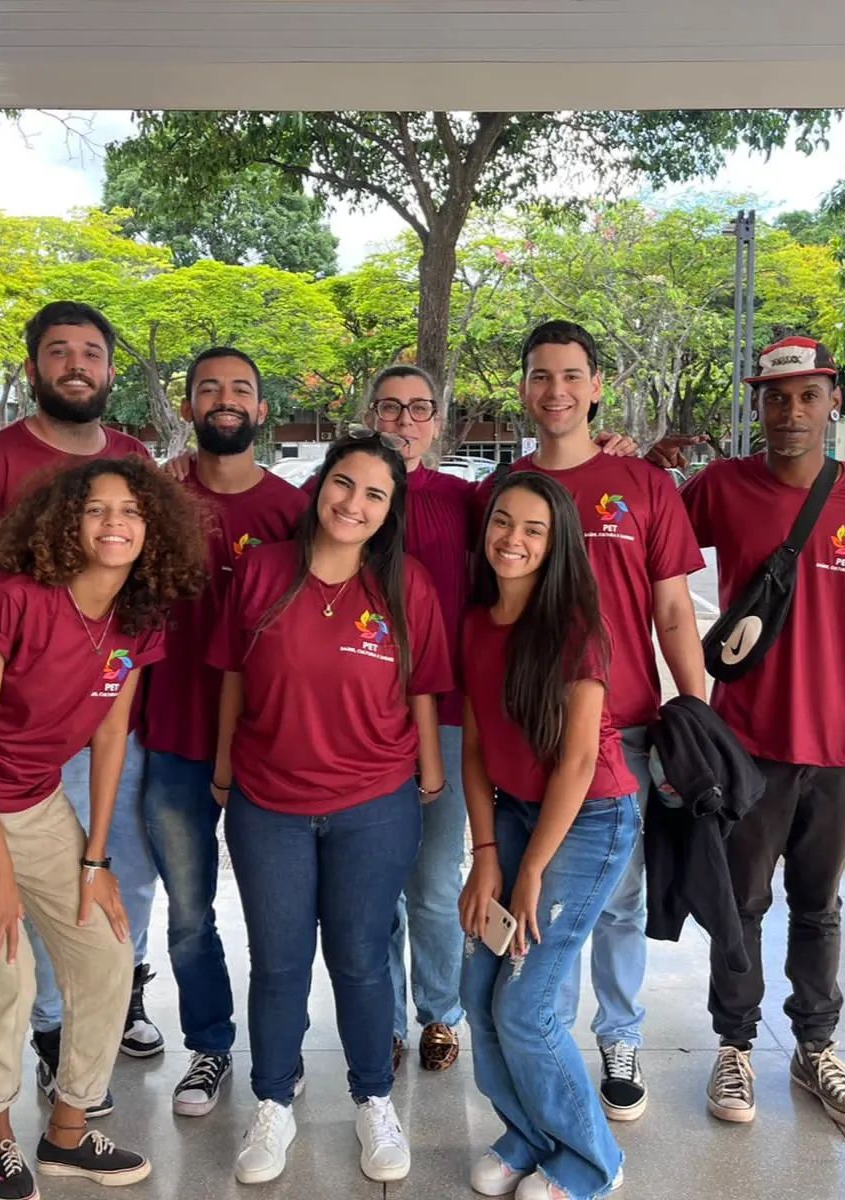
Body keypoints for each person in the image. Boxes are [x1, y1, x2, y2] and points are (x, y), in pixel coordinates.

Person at [0, 456, 207, 1200]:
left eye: (131, 510)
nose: (115, 522)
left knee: (105, 953)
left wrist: (96, 861)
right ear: (67, 522)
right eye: (96, 509)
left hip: (36, 802)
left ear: (153, 529)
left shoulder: (136, 620)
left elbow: (111, 734)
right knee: (4, 968)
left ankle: (67, 1132)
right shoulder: (12, 597)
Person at [475, 320, 705, 1121]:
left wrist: (696, 714)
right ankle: (548, 1036)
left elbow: (673, 611)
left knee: (618, 899)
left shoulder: (642, 484)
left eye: (572, 375)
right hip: (524, 734)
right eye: (541, 375)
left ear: (598, 385)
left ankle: (620, 1033)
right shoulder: (500, 493)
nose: (557, 391)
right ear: (523, 388)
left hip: (625, 729)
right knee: (544, 900)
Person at [208, 430, 452, 1185]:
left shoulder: (405, 584)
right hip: (269, 803)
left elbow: (423, 686)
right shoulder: (262, 569)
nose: (354, 503)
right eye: (344, 483)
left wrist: (431, 771)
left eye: (375, 493)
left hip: (374, 804)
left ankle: (372, 1099)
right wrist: (223, 768)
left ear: (390, 510)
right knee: (279, 963)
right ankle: (273, 1102)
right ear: (320, 485)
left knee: (361, 959)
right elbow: (233, 673)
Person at [680, 336, 845, 1129]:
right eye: (776, 398)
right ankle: (735, 1047)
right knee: (740, 903)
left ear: (833, 401)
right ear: (759, 406)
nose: (791, 412)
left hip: (841, 748)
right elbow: (647, 544)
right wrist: (630, 464)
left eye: (808, 395)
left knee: (819, 906)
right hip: (745, 746)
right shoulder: (723, 486)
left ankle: (816, 1049)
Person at [0, 301, 164, 1117]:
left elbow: (112, 729)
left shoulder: (133, 460)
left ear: (110, 368)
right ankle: (36, 1050)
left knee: (104, 895)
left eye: (92, 352)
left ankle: (94, 1041)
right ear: (34, 365)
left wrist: (92, 856)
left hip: (83, 714)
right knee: (0, 945)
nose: (77, 364)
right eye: (59, 351)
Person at [460, 471, 640, 1200]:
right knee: (477, 991)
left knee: (525, 1006)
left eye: (534, 529)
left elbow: (579, 761)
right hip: (513, 814)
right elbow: (475, 748)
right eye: (503, 521)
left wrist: (530, 869)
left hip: (588, 820)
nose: (513, 539)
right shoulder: (476, 623)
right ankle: (530, 1135)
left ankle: (593, 1162)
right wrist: (486, 857)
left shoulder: (574, 628)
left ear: (557, 542)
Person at [141, 347, 309, 1118]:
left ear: (262, 409)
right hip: (174, 737)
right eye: (209, 388)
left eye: (241, 388)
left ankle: (282, 1047)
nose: (226, 399)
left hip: (267, 745)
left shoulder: (293, 510)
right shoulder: (156, 499)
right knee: (187, 915)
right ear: (188, 408)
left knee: (281, 920)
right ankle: (209, 1047)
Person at [361, 365, 473, 1072]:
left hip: (450, 716)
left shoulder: (465, 500)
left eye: (419, 409)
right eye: (390, 407)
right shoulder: (335, 496)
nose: (404, 421)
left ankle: (440, 1013)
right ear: (370, 414)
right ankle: (385, 1018)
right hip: (358, 722)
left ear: (437, 421)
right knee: (374, 889)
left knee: (433, 884)